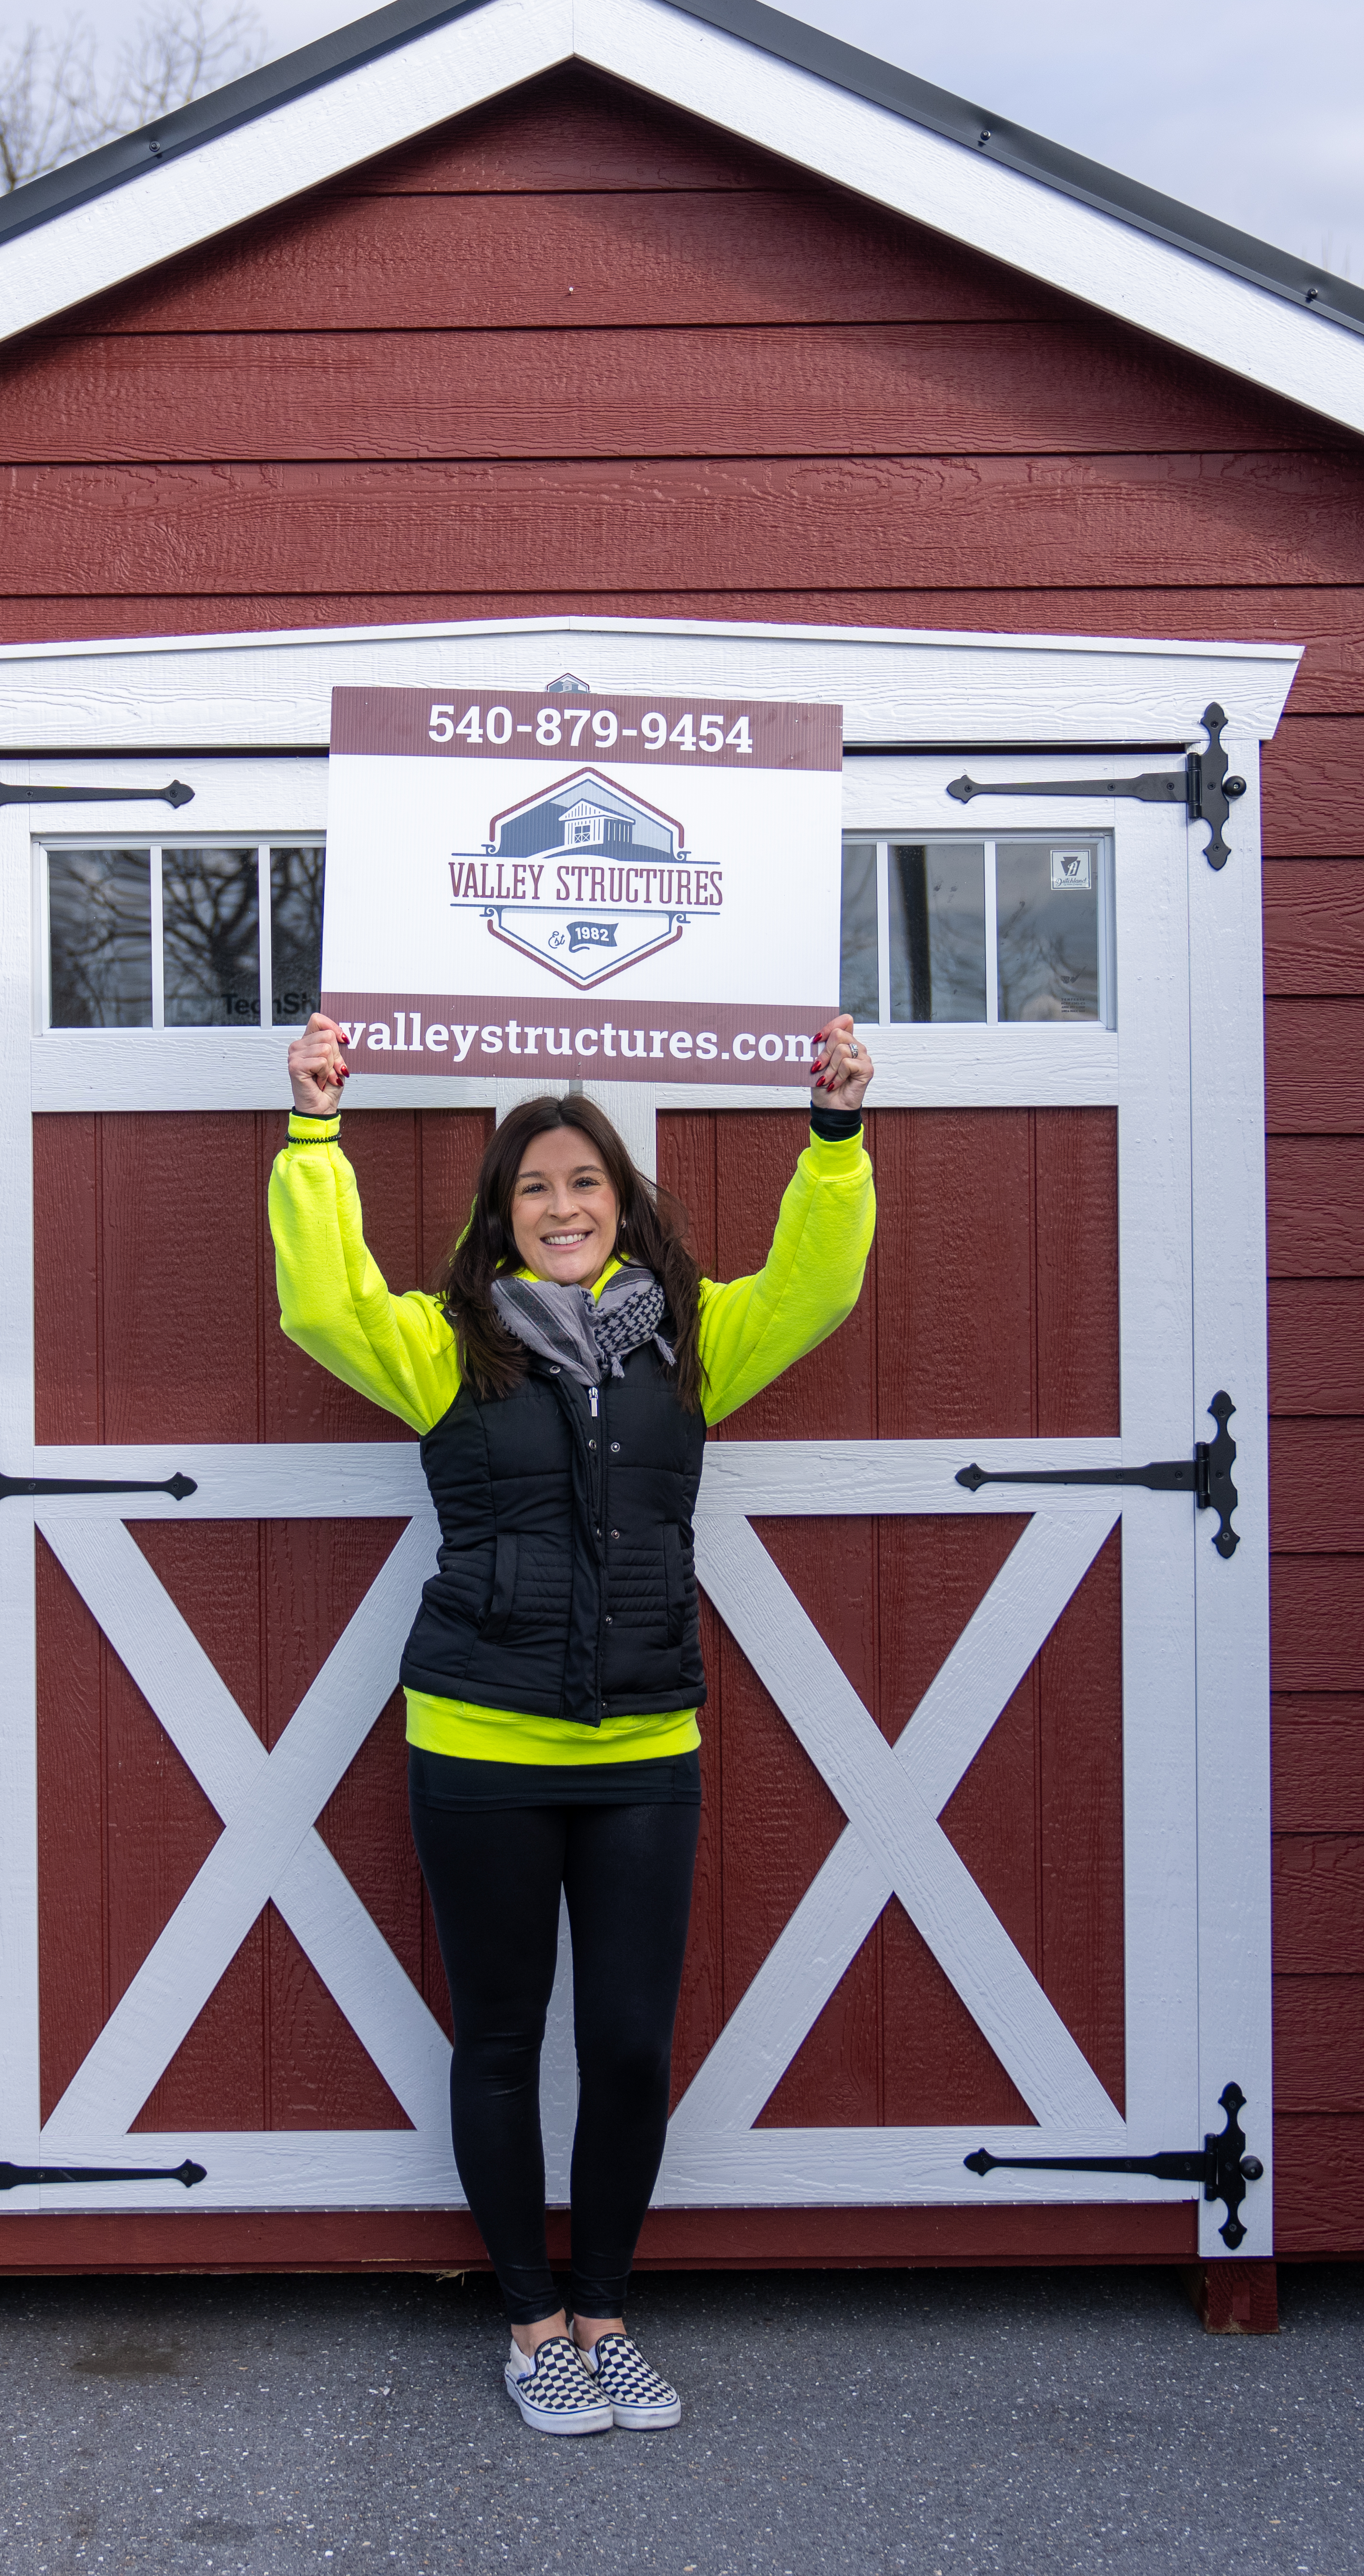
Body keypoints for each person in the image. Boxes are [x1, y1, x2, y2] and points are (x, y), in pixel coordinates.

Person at [268, 1008, 876, 2436]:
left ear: (622, 1203)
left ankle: (605, 2314)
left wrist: (836, 1136)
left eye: (584, 1184)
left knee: (627, 2047)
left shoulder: (698, 1345)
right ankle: (534, 2326)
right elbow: (320, 1301)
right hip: (477, 1745)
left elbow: (820, 1285)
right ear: (501, 1217)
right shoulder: (441, 1349)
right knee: (497, 2040)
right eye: (534, 1187)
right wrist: (314, 1133)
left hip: (644, 1750)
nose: (562, 1207)